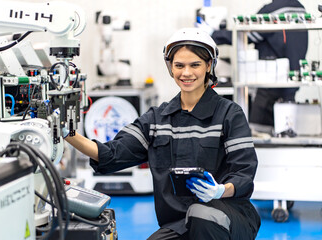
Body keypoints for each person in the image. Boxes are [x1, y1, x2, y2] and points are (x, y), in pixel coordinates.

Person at [65, 28, 261, 239]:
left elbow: (244, 172)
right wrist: (65, 131)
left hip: (228, 216)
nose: (186, 73)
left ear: (209, 65)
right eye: (179, 65)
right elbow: (110, 153)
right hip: (179, 223)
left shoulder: (229, 114)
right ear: (170, 68)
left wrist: (221, 190)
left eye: (195, 64)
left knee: (202, 214)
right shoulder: (157, 119)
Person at [209, 0, 308, 131]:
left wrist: (213, 34)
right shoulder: (300, 8)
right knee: (284, 133)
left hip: (269, 87)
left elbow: (248, 34)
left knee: (259, 136)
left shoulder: (273, 9)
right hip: (292, 85)